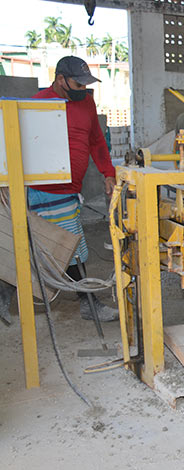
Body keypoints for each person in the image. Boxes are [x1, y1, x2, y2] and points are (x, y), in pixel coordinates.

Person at [0, 56, 118, 323]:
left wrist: (108, 172)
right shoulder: (37, 104)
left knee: (45, 244)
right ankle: (88, 303)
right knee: (64, 246)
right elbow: (12, 145)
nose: (82, 89)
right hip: (45, 188)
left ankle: (4, 292)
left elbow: (97, 141)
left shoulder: (86, 102)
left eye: (86, 84)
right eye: (78, 83)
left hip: (69, 189)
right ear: (61, 79)